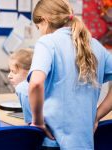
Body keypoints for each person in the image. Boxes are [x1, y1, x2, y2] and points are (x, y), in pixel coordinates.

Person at [28, 0, 112, 149]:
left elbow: (36, 83)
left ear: (45, 21)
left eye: (38, 26)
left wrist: (38, 121)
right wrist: (96, 115)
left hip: (53, 141)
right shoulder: (95, 45)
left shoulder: (47, 42)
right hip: (85, 141)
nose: (40, 31)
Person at [7, 49, 33, 124]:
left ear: (29, 72)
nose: (9, 76)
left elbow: (31, 125)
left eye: (14, 72)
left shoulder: (22, 88)